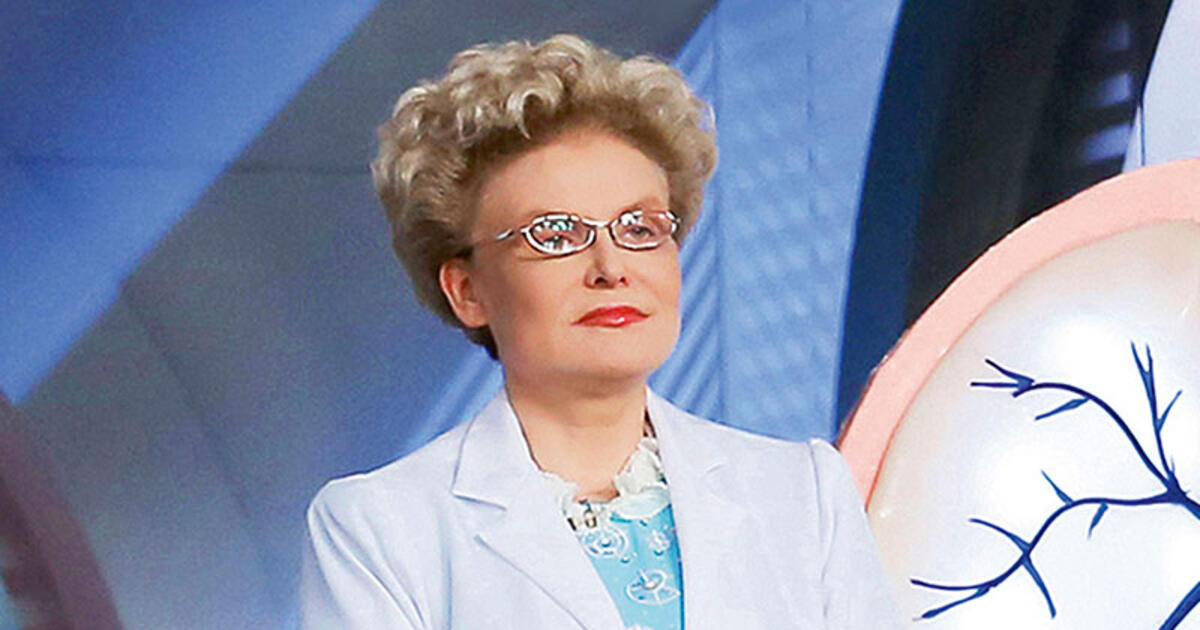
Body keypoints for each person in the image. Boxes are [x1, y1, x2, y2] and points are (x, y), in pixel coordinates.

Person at [300, 34, 900, 629]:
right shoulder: (380, 528)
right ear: (468, 290)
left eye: (639, 228)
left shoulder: (803, 493)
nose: (611, 268)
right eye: (555, 235)